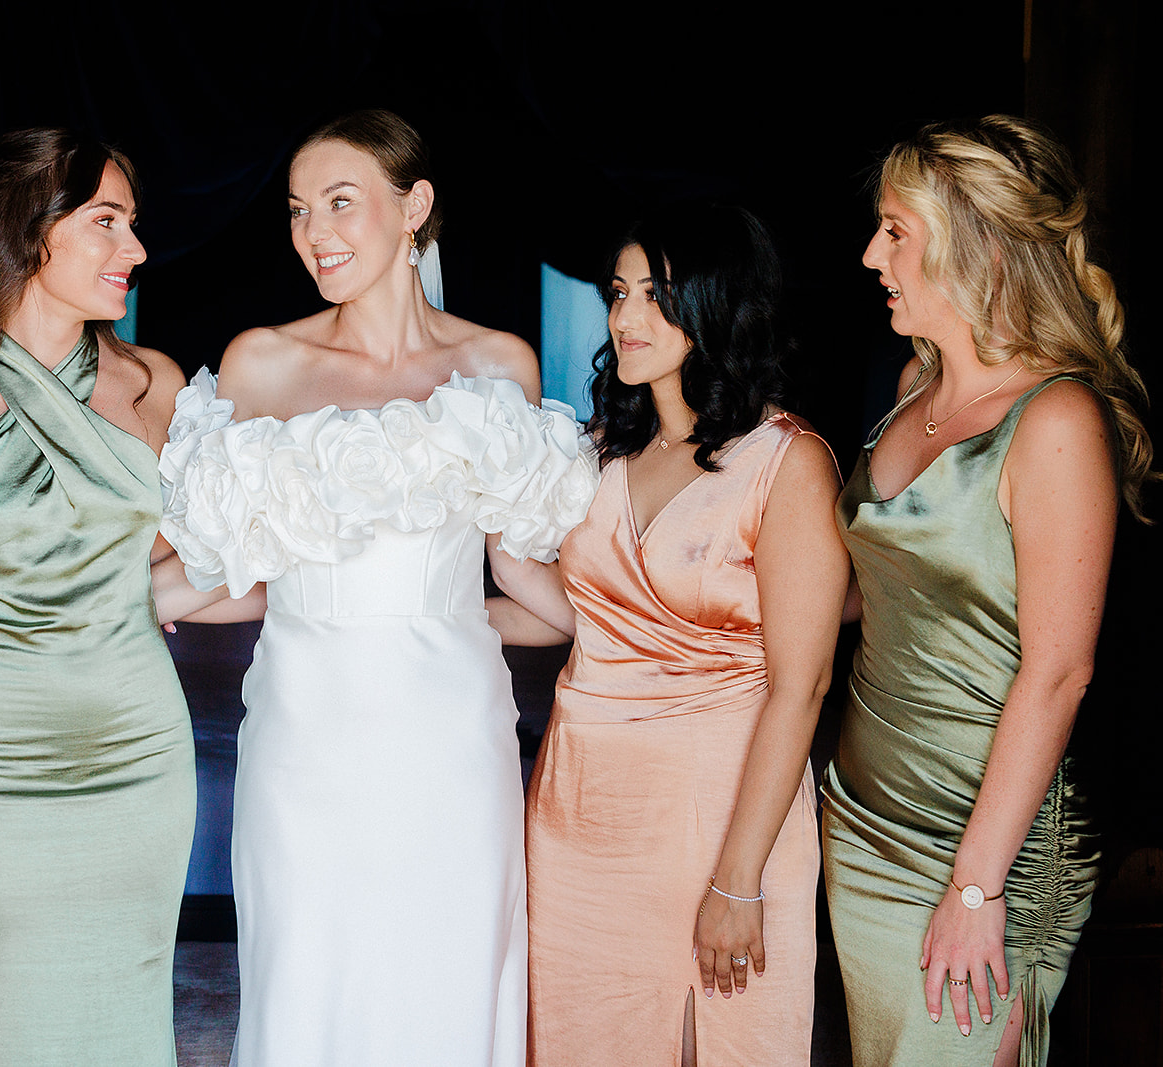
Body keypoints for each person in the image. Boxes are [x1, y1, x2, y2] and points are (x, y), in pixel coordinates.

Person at [158, 108, 596, 1066]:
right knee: (309, 979)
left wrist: (651, 641)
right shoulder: (262, 361)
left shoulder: (496, 364)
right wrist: (113, 604)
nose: (316, 233)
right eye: (299, 210)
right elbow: (231, 569)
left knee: (444, 977)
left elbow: (525, 568)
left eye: (342, 203)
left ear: (416, 208)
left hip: (449, 736)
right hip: (306, 732)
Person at [0, 128, 229, 1065]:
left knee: (116, 1013)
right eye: (108, 222)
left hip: (135, 751)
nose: (138, 249)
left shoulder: (153, 385)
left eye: (134, 224)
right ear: (27, 232)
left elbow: (173, 563)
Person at [820, 115, 1153, 1067]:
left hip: (979, 848)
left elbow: (1058, 669)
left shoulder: (1055, 421)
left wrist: (975, 887)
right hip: (865, 819)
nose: (870, 252)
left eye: (896, 230)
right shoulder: (912, 382)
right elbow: (879, 589)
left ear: (972, 243)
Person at [487, 205, 848, 1065]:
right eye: (618, 293)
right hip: (578, 825)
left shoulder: (787, 462)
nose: (625, 318)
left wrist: (738, 878)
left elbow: (801, 688)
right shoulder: (603, 450)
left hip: (716, 826)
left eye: (656, 295)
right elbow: (592, 622)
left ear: (717, 301)